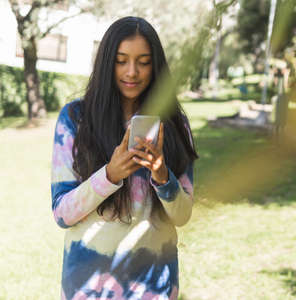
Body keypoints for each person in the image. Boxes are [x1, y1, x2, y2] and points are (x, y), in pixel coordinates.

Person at [51, 16, 198, 299]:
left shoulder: (175, 125)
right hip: (89, 286)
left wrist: (162, 176)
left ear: (155, 66)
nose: (132, 72)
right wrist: (110, 175)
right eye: (121, 60)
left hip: (154, 286)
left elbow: (182, 215)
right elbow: (62, 214)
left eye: (143, 61)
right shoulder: (75, 120)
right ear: (108, 62)